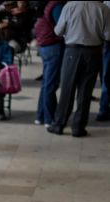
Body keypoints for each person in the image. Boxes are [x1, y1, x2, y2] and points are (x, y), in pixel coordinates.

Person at [47, 1, 110, 137]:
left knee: (67, 89)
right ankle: (78, 128)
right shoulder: (103, 8)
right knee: (86, 92)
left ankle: (58, 125)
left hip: (72, 52)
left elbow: (58, 31)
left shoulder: (70, 6)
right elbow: (108, 35)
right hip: (94, 53)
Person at [34, 2, 66, 126]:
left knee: (46, 84)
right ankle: (49, 118)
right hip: (54, 46)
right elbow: (61, 29)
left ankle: (40, 116)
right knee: (50, 85)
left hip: (45, 47)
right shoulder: (56, 5)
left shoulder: (45, 4)